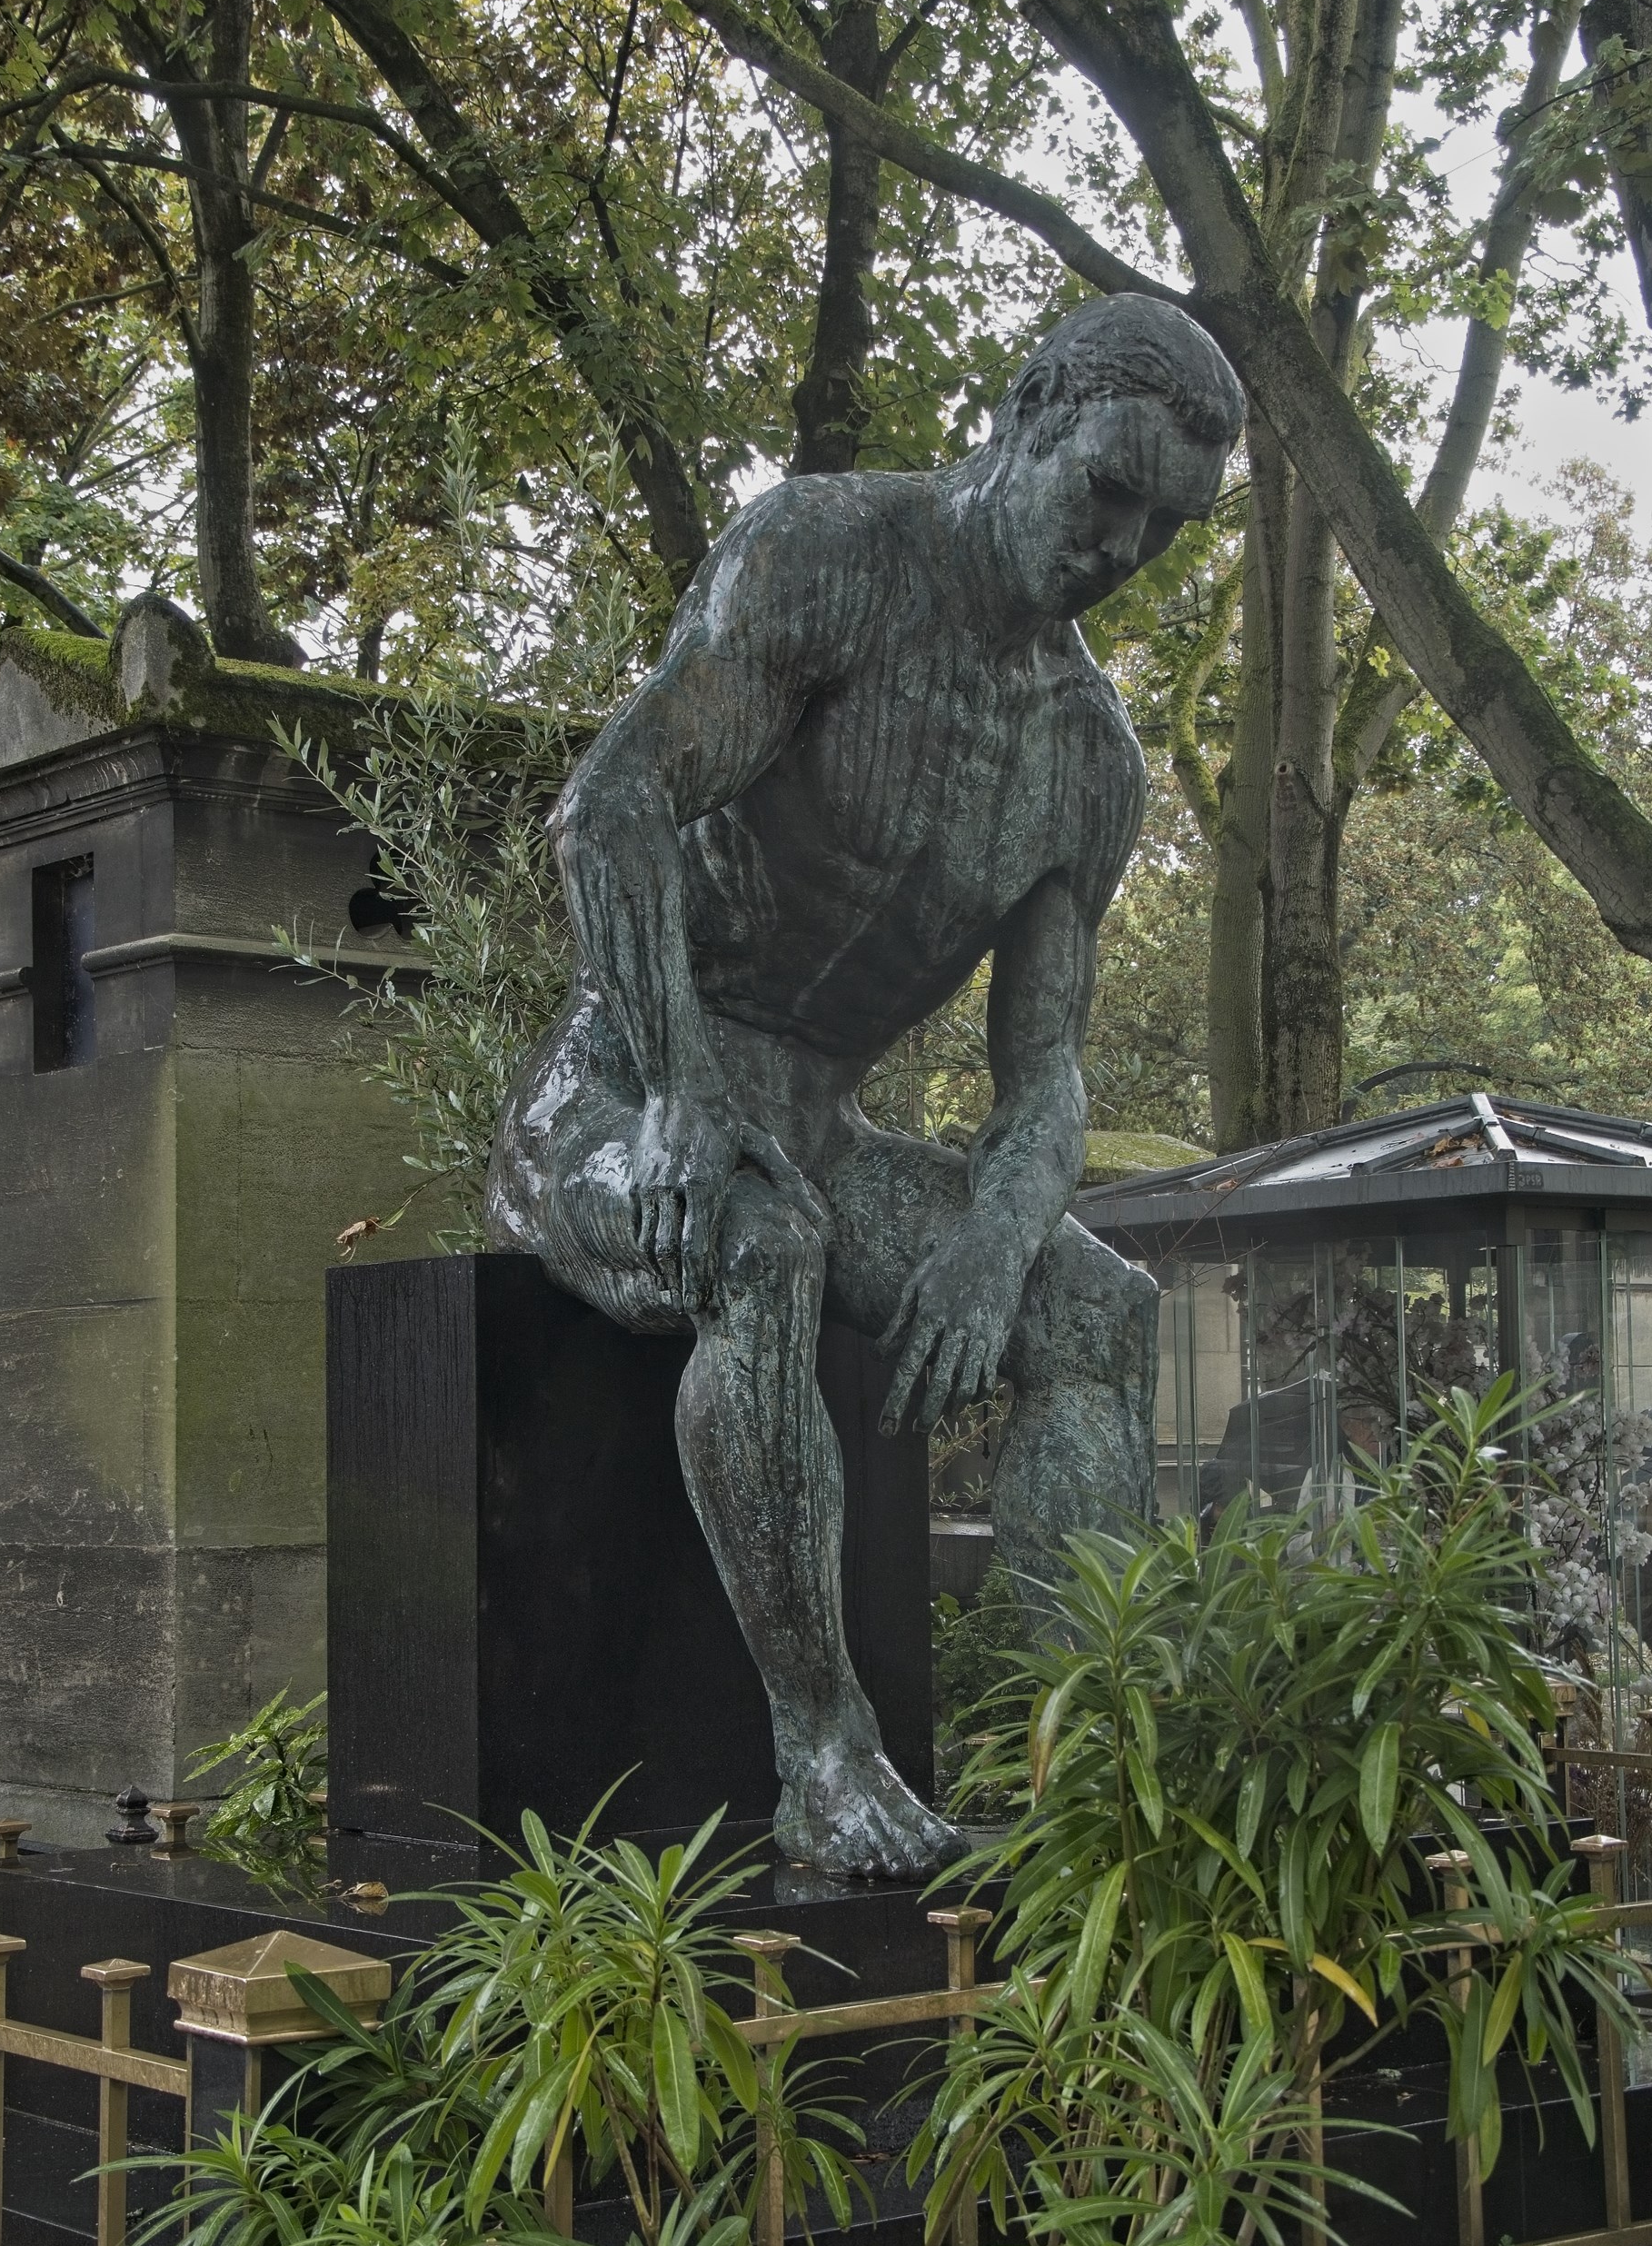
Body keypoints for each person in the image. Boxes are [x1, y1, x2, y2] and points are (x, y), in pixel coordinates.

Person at [488, 293, 1244, 1874]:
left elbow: (1044, 1082)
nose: (1119, 547)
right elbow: (611, 807)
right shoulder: (824, 558)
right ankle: (822, 1756)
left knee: (1091, 1310)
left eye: (1163, 530)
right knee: (761, 1242)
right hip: (619, 1095)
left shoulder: (1088, 765)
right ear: (1029, 409)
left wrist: (992, 1240)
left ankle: (1081, 1772)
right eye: (1107, 488)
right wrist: (684, 1087)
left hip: (820, 1125)